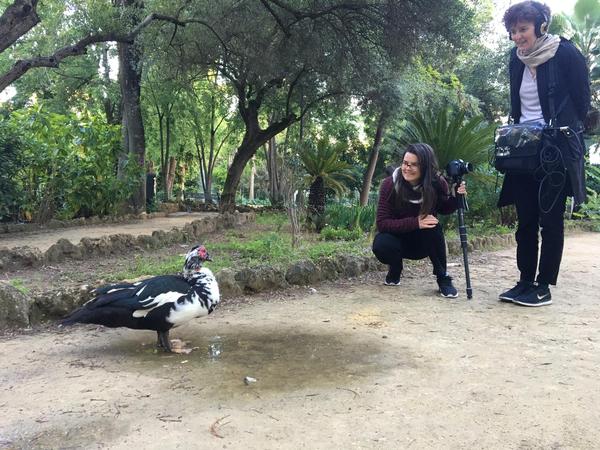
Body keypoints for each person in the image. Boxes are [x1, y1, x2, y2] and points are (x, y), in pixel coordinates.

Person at [498, 1, 590, 307]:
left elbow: (582, 101)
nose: (517, 37)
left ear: (541, 26)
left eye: (522, 29)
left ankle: (543, 285)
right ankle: (525, 280)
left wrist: (564, 131)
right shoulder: (516, 60)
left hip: (555, 150)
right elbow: (517, 104)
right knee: (525, 220)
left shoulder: (565, 53)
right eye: (513, 31)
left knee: (550, 220)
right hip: (524, 149)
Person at [372, 143, 467, 298]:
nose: (407, 168)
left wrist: (457, 197)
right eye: (405, 163)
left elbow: (444, 208)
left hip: (423, 243)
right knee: (381, 243)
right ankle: (395, 268)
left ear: (425, 167)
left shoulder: (437, 183)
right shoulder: (390, 184)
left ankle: (443, 277)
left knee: (433, 225)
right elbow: (382, 223)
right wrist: (415, 222)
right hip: (397, 240)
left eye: (413, 165)